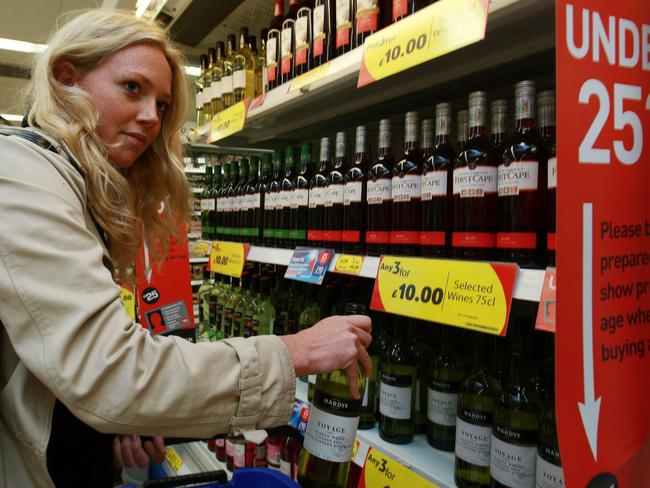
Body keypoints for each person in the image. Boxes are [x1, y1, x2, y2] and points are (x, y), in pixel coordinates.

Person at [0, 9, 372, 487]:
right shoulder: (23, 179)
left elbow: (59, 365)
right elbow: (109, 370)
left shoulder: (68, 184)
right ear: (66, 78)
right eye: (132, 88)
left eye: (161, 103)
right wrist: (292, 351)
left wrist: (112, 422)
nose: (151, 117)